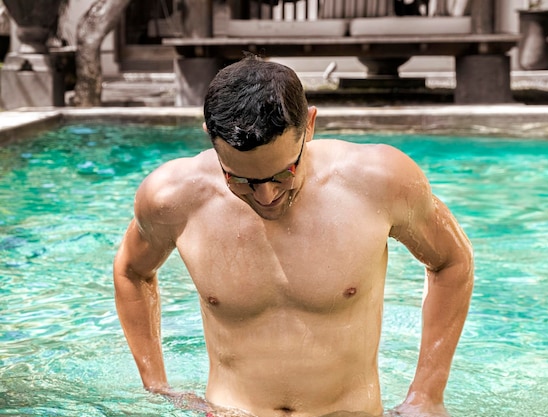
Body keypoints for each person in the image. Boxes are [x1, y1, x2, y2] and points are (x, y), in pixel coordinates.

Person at [113, 55, 474, 417]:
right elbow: (132, 271)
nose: (266, 196)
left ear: (310, 126)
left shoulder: (380, 182)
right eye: (240, 180)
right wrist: (156, 385)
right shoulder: (172, 198)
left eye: (283, 173)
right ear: (212, 137)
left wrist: (426, 394)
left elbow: (451, 260)